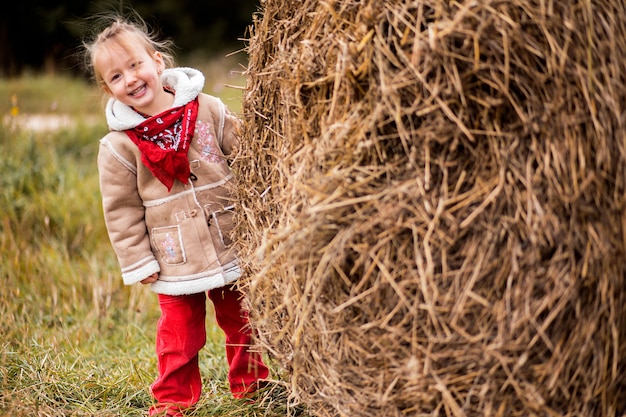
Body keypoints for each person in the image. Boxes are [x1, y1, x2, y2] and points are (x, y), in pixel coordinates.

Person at [82, 13, 269, 416]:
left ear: (158, 62)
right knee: (179, 334)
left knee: (243, 319)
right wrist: (136, 259)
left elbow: (250, 159)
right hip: (173, 256)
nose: (130, 78)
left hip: (229, 236)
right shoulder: (119, 147)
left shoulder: (208, 109)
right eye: (116, 76)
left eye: (135, 65)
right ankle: (173, 401)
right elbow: (121, 210)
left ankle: (253, 385)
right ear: (108, 89)